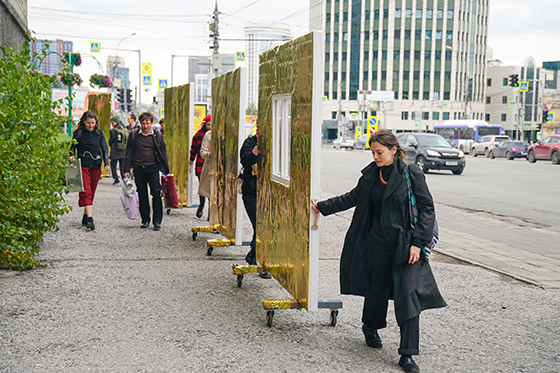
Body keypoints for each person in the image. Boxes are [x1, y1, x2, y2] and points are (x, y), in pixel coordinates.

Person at [312, 130, 446, 373]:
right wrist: (322, 207)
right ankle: (370, 326)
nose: (375, 157)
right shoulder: (372, 174)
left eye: (379, 152)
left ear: (394, 150)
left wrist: (418, 242)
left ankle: (407, 354)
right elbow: (353, 197)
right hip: (377, 243)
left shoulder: (410, 173)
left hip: (406, 245)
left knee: (408, 295)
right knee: (377, 289)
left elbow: (427, 209)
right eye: (373, 152)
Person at [123, 112, 170, 231]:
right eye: (143, 123)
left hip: (153, 168)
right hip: (139, 169)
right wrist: (126, 169)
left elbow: (163, 152)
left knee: (156, 193)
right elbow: (128, 153)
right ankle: (145, 220)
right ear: (140, 123)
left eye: (147, 123)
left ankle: (157, 221)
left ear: (151, 123)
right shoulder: (134, 135)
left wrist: (166, 169)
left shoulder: (157, 135)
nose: (145, 126)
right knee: (142, 195)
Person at [69, 111, 110, 231]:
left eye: (93, 123)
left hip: (96, 165)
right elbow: (72, 147)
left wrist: (106, 163)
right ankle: (90, 219)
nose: (91, 125)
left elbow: (104, 149)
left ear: (96, 123)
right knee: (86, 190)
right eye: (88, 123)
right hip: (83, 165)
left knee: (92, 191)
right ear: (83, 122)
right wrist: (71, 155)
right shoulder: (79, 133)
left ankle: (86, 214)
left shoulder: (99, 133)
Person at [239, 129, 271, 279]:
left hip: (268, 193)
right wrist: (255, 151)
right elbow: (245, 160)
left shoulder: (274, 144)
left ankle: (253, 255)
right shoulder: (250, 142)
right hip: (251, 194)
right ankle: (260, 261)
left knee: (266, 227)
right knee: (259, 225)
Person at [189, 115, 211, 218]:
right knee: (202, 187)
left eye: (211, 124)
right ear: (205, 124)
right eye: (208, 124)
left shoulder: (215, 135)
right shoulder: (198, 135)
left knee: (212, 189)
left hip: (212, 165)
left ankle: (211, 213)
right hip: (201, 164)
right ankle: (201, 205)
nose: (210, 127)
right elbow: (193, 149)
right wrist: (191, 160)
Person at [108, 115, 127, 185]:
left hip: (115, 150)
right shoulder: (123, 128)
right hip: (123, 150)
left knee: (113, 165)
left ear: (115, 122)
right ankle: (124, 178)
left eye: (112, 122)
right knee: (122, 165)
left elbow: (111, 140)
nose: (112, 124)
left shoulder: (113, 131)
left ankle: (116, 178)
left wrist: (111, 145)